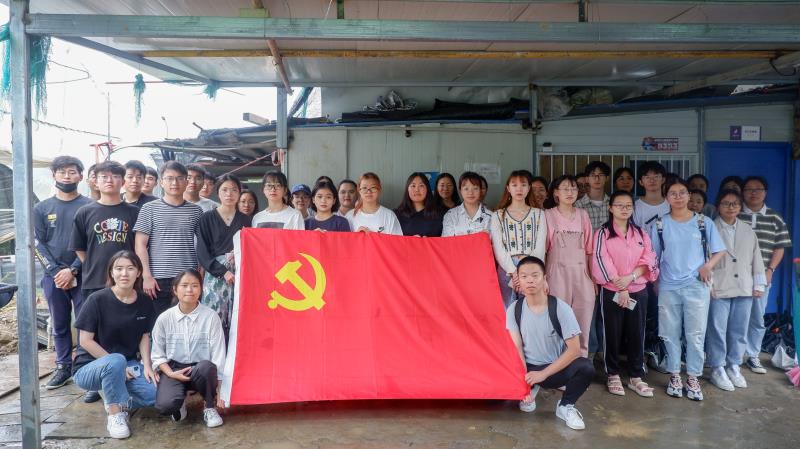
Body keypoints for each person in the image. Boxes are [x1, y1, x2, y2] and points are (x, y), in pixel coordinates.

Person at [651, 178, 725, 401]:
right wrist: (655, 282)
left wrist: (708, 266)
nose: (678, 197)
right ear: (666, 198)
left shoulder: (703, 222)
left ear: (689, 195)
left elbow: (720, 251)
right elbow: (653, 257)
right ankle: (675, 375)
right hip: (668, 286)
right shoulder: (659, 225)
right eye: (673, 193)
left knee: (695, 334)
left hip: (696, 286)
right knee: (669, 333)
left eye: (682, 192)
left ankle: (693, 377)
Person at [72, 251, 157, 439]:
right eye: (119, 268)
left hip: (128, 365)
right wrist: (115, 365)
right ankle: (115, 413)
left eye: (130, 268)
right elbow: (85, 340)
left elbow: (144, 336)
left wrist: (147, 366)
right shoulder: (97, 299)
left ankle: (112, 393)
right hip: (89, 367)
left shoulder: (144, 301)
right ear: (111, 272)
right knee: (116, 361)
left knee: (156, 395)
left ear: (139, 272)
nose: (124, 273)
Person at [507, 256, 593, 431]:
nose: (530, 280)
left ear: (544, 278)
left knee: (586, 367)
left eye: (535, 275)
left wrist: (543, 374)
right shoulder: (514, 309)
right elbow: (517, 348)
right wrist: (524, 386)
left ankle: (565, 406)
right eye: (524, 276)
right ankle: (531, 388)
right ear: (518, 281)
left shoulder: (561, 308)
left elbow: (575, 350)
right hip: (528, 369)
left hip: (553, 369)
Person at [591, 190, 659, 397]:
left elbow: (649, 258)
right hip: (612, 291)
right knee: (612, 333)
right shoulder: (602, 233)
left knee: (637, 333)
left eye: (628, 205)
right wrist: (620, 287)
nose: (624, 209)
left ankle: (636, 376)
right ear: (610, 208)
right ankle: (612, 374)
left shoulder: (640, 233)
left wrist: (631, 278)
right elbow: (600, 259)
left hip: (638, 290)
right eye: (619, 205)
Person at [35, 156, 93, 390]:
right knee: (59, 323)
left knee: (86, 322)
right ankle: (63, 366)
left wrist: (73, 269)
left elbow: (91, 243)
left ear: (80, 176)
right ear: (54, 175)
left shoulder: (89, 206)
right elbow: (38, 244)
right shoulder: (41, 208)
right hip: (53, 277)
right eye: (62, 172)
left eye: (72, 172)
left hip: (84, 274)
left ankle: (85, 367)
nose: (67, 176)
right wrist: (56, 271)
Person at [707, 189, 766, 392]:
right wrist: (709, 284)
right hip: (719, 287)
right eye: (726, 203)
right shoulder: (711, 227)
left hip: (744, 286)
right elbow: (705, 258)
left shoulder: (748, 230)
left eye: (735, 203)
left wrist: (758, 284)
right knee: (717, 329)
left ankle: (734, 365)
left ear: (740, 207)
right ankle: (717, 367)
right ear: (718, 206)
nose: (730, 207)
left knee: (739, 329)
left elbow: (757, 258)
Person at [151, 269, 226, 428]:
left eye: (195, 285)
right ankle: (179, 402)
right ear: (175, 289)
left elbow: (218, 354)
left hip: (201, 369)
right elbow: (157, 355)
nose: (190, 290)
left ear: (201, 289)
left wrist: (220, 389)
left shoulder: (211, 317)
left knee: (207, 367)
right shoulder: (164, 318)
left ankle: (209, 407)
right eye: (184, 285)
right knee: (165, 406)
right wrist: (170, 373)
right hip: (174, 369)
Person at [134, 161, 204, 316]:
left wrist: (201, 273)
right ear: (161, 182)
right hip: (157, 280)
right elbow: (140, 244)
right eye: (169, 178)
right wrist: (146, 276)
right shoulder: (149, 208)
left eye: (180, 178)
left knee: (188, 321)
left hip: (188, 277)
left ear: (186, 182)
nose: (175, 183)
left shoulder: (196, 211)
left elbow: (203, 244)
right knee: (158, 323)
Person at [739, 175, 792, 374]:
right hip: (736, 276)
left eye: (758, 189)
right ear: (742, 192)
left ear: (765, 192)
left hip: (761, 277)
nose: (753, 193)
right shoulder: (736, 215)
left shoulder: (774, 218)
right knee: (736, 317)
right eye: (748, 189)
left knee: (757, 317)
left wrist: (770, 270)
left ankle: (752, 355)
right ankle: (735, 356)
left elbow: (780, 247)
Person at [70, 160, 140, 303]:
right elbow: (79, 246)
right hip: (95, 280)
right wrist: (91, 263)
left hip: (127, 280)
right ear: (96, 182)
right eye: (104, 177)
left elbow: (141, 246)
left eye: (115, 176)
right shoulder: (85, 212)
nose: (109, 180)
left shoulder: (135, 212)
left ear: (123, 182)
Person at [543, 175, 595, 357]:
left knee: (583, 319)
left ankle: (580, 363)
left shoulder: (583, 215)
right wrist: (543, 278)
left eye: (573, 188)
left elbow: (590, 250)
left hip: (582, 273)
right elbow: (543, 250)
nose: (570, 192)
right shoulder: (547, 215)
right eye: (565, 188)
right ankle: (557, 364)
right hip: (556, 273)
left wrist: (592, 278)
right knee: (557, 319)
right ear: (556, 193)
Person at [196, 174, 252, 338]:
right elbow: (202, 252)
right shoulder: (206, 218)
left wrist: (239, 252)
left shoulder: (246, 220)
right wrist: (222, 272)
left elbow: (252, 248)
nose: (229, 194)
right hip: (215, 275)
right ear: (218, 193)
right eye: (225, 190)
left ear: (239, 193)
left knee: (238, 318)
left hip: (240, 275)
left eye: (234, 190)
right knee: (214, 319)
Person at [490, 170, 547, 307]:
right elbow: (498, 247)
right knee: (507, 310)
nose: (519, 189)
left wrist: (527, 271)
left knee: (531, 308)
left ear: (529, 188)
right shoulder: (498, 215)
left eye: (523, 185)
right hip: (506, 269)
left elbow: (540, 246)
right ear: (508, 188)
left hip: (532, 266)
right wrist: (514, 272)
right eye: (514, 185)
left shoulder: (539, 214)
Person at [442, 171, 492, 236]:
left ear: (480, 190)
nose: (470, 192)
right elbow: (447, 241)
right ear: (460, 190)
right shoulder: (451, 215)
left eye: (475, 188)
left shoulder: (490, 216)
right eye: (466, 189)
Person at [395, 172, 444, 237]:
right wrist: (410, 241)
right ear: (407, 189)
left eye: (421, 186)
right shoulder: (396, 215)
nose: (417, 190)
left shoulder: (440, 214)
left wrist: (428, 241)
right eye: (413, 186)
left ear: (427, 189)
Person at [632, 161, 669, 235]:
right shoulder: (634, 206)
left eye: (656, 176)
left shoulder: (671, 205)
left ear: (663, 179)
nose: (652, 180)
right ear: (640, 182)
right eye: (647, 177)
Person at [576, 161, 610, 231]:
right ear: (587, 179)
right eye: (593, 175)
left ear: (607, 178)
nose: (597, 179)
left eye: (601, 175)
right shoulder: (578, 205)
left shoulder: (613, 204)